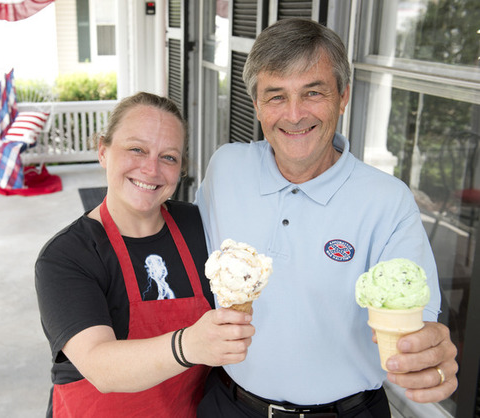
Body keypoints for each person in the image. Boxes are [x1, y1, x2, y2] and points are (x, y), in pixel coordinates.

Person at [195, 18, 459, 417]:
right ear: (256, 106)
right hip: (229, 403)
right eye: (276, 96)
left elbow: (416, 327)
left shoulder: (388, 201)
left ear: (343, 96)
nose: (295, 114)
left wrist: (427, 353)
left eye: (312, 92)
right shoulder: (224, 168)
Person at [35, 92, 255, 417]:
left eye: (168, 157)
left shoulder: (198, 227)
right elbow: (100, 366)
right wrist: (190, 344)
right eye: (136, 149)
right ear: (103, 151)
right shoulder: (67, 255)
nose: (151, 169)